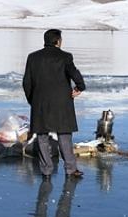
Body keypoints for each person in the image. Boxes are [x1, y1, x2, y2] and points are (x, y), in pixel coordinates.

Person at [23, 28, 86, 178]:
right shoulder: (65, 57)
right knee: (64, 135)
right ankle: (71, 169)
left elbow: (26, 83)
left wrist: (33, 101)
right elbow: (75, 74)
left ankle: (46, 170)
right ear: (58, 41)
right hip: (62, 102)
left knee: (42, 136)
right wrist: (80, 87)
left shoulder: (33, 57)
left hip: (40, 102)